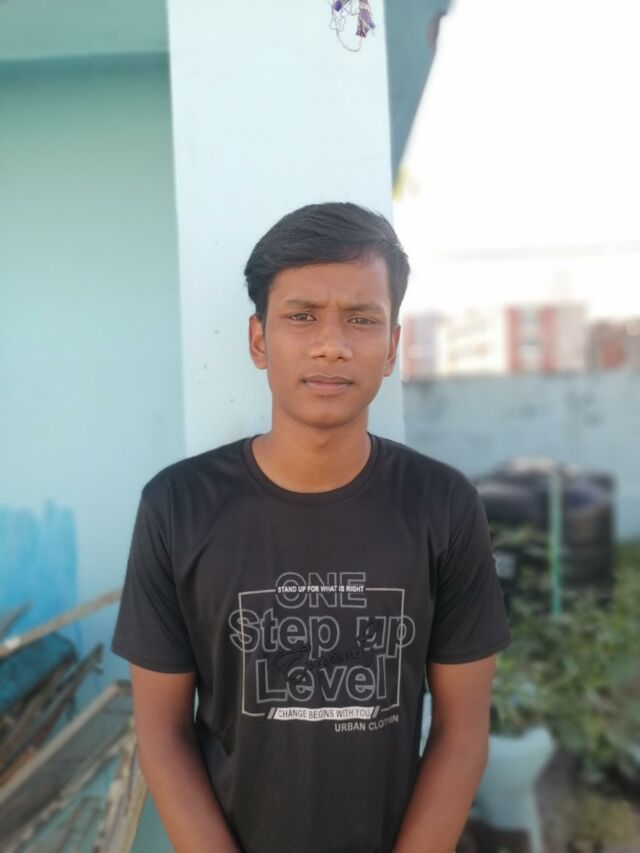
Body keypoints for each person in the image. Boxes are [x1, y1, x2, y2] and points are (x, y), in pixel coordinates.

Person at [110, 201, 511, 853]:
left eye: (362, 318)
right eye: (302, 316)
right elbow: (162, 731)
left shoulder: (443, 506)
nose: (332, 343)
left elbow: (462, 732)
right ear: (258, 340)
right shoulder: (177, 507)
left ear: (392, 346)